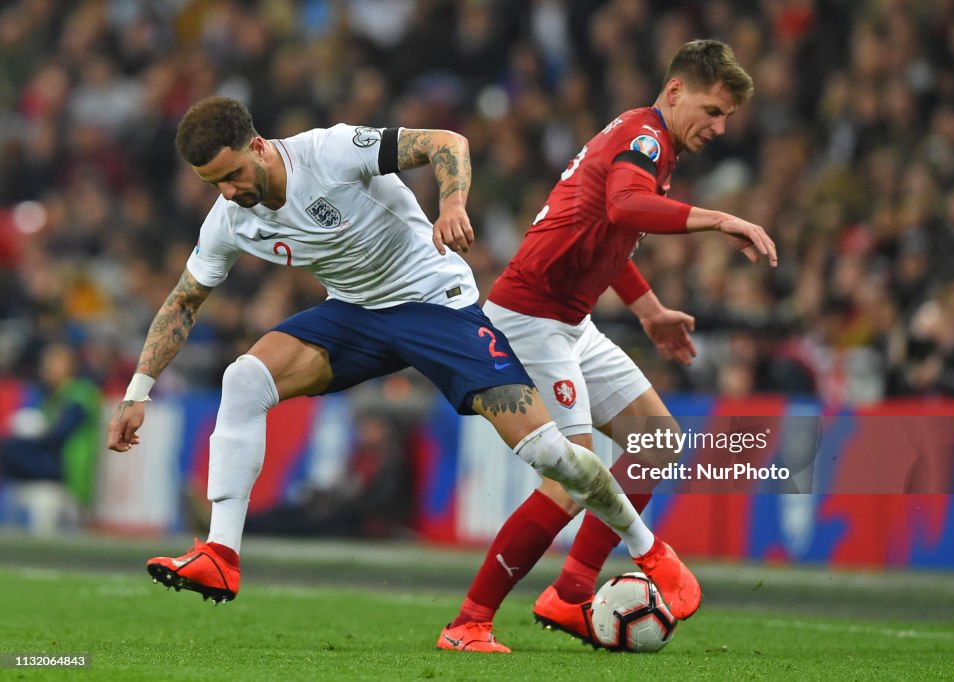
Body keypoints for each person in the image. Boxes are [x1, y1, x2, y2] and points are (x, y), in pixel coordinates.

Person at [105, 96, 697, 652]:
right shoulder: (229, 219)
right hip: (356, 316)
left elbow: (446, 141)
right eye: (214, 184)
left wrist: (454, 203)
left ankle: (647, 549)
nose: (229, 193)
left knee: (554, 457)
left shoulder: (328, 151)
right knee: (244, 379)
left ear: (258, 146)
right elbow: (184, 301)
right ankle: (220, 554)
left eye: (232, 175)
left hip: (435, 303)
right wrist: (139, 391)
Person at [441, 39, 777, 650]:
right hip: (529, 318)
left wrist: (649, 310)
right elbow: (626, 208)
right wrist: (721, 219)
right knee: (571, 478)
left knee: (657, 442)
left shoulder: (648, 140)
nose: (720, 127)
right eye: (712, 110)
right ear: (675, 92)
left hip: (571, 322)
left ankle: (570, 593)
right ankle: (469, 622)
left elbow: (607, 229)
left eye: (727, 117)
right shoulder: (644, 139)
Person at [1, 342, 103, 535]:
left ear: (70, 365)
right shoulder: (52, 398)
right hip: (55, 470)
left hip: (71, 473)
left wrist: (21, 443)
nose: (46, 368)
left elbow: (58, 436)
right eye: (45, 363)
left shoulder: (80, 394)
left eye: (53, 362)